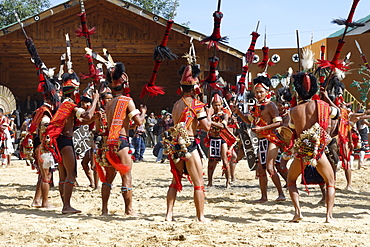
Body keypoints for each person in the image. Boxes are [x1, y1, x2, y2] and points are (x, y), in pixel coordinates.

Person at [44, 70, 99, 214]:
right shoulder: (70, 105)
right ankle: (66, 206)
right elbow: (87, 115)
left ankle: (65, 205)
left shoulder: (62, 105)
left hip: (61, 141)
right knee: (71, 174)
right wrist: (95, 101)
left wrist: (96, 117)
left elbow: (82, 121)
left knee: (63, 175)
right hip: (66, 141)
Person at [287, 72, 339, 223]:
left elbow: (292, 127)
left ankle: (298, 212)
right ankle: (329, 216)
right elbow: (337, 114)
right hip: (318, 151)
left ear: (298, 91)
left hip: (302, 151)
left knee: (291, 181)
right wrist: (327, 99)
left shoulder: (293, 111)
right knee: (330, 182)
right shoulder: (323, 106)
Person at [95, 62, 146, 215]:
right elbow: (139, 123)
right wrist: (143, 112)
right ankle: (128, 210)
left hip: (109, 143)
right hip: (122, 142)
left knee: (108, 179)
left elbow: (121, 124)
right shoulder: (126, 101)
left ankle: (104, 209)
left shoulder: (109, 104)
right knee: (126, 176)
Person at [164, 64, 211, 222]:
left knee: (174, 181)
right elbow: (207, 126)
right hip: (189, 144)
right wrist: (209, 113)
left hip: (176, 146)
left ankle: (169, 214)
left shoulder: (177, 104)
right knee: (198, 182)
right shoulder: (197, 105)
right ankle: (200, 216)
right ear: (195, 88)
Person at [232, 76, 286, 203]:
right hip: (261, 141)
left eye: (261, 92)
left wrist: (262, 129)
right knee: (261, 169)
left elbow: (279, 123)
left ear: (267, 92)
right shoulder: (257, 107)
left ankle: (281, 194)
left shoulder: (270, 105)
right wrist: (238, 113)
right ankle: (264, 197)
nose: (259, 94)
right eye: (256, 92)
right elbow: (249, 121)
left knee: (270, 167)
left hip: (271, 139)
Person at [207, 93, 231, 188]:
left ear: (221, 105)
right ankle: (209, 181)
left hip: (222, 139)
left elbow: (223, 125)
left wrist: (210, 121)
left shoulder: (224, 115)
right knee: (211, 161)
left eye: (218, 104)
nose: (217, 107)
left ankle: (228, 181)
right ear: (212, 105)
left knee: (225, 161)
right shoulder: (209, 114)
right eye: (215, 105)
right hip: (212, 139)